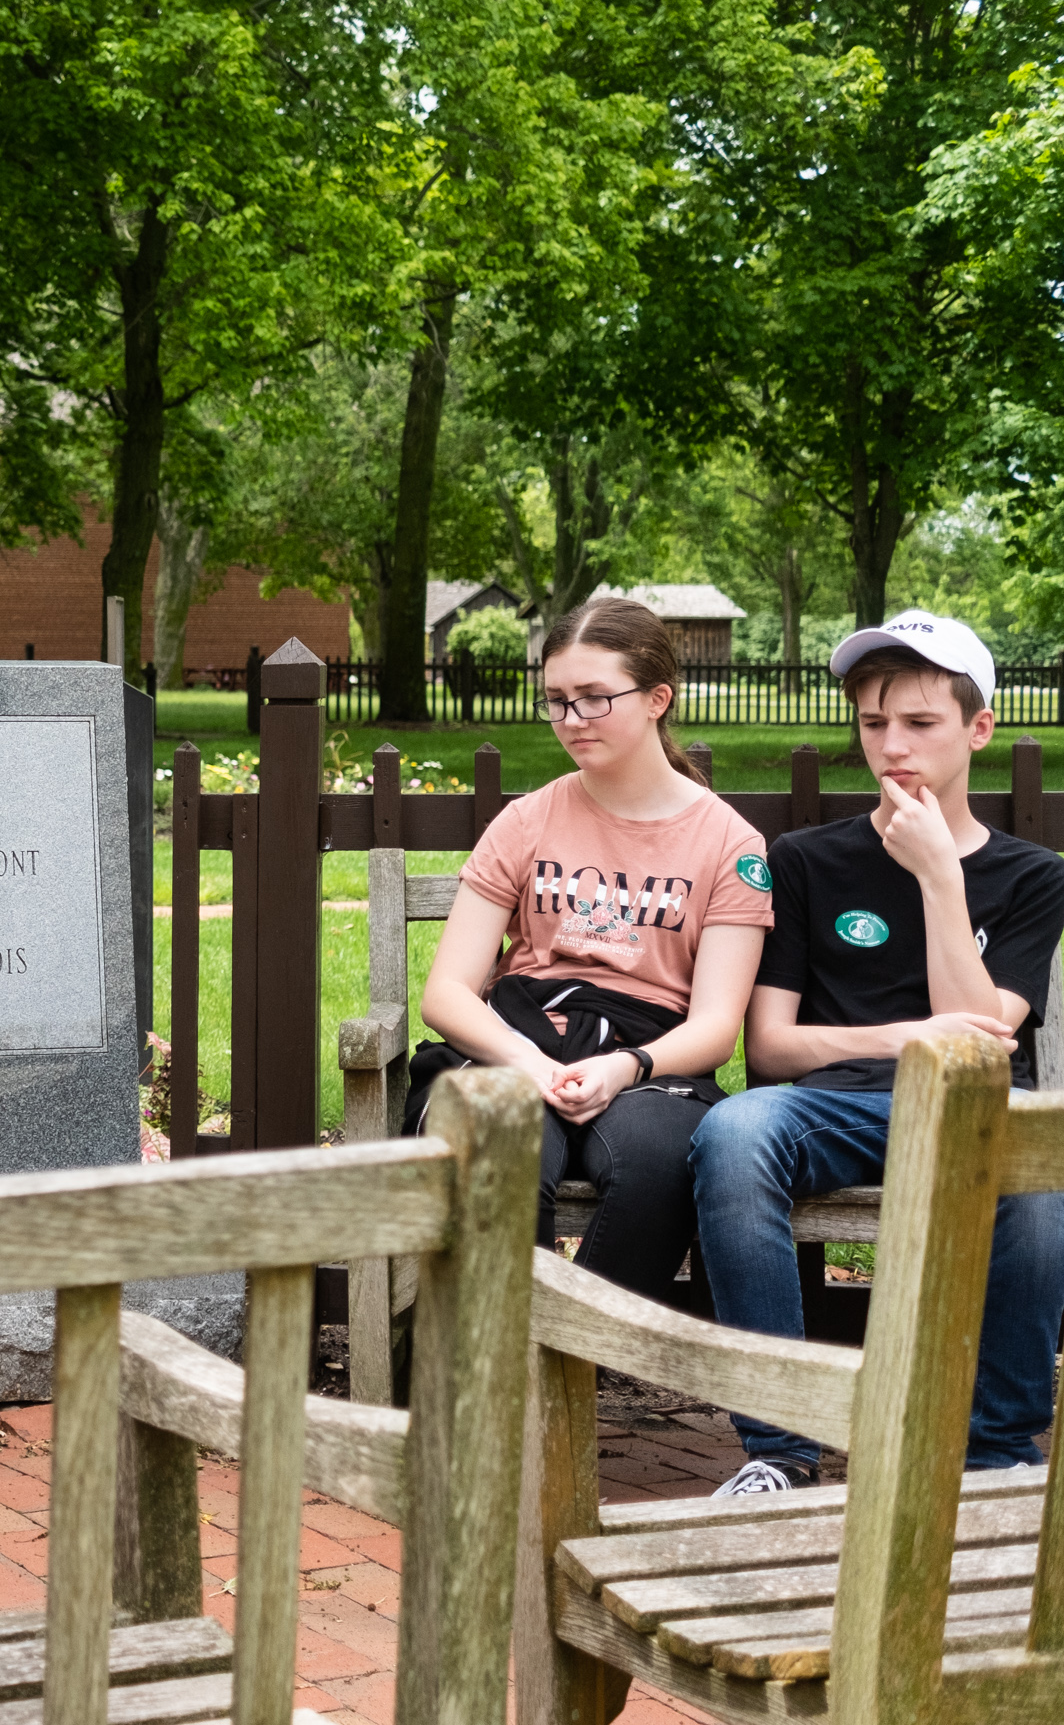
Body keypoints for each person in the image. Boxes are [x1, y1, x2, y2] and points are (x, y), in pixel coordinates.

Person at [691, 613, 1064, 1495]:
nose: (892, 746)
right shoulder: (806, 860)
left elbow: (979, 1044)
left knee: (1040, 1183)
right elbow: (773, 1048)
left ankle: (996, 1460)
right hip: (832, 1107)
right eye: (873, 723)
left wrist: (941, 875)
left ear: (978, 730)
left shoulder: (1031, 875)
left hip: (975, 1113)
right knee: (735, 1133)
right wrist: (904, 1036)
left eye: (920, 724)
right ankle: (778, 1451)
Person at [408, 597, 774, 1303]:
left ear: (657, 699)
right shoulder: (527, 820)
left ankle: (564, 1367)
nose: (572, 720)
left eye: (595, 699)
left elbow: (715, 1028)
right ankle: (496, 1372)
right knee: (494, 1140)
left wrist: (624, 1068)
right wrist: (535, 1065)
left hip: (649, 1061)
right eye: (557, 701)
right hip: (521, 1038)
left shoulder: (730, 844)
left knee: (661, 1157)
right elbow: (447, 992)